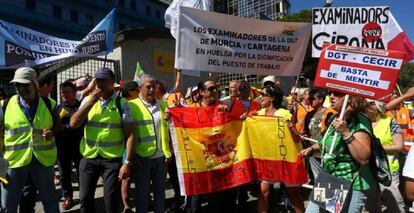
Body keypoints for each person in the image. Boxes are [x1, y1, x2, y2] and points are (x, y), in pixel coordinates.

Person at [70, 67, 135, 213]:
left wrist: (127, 163)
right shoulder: (88, 100)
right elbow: (73, 123)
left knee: (111, 201)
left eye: (104, 81)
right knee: (85, 199)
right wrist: (90, 102)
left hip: (111, 160)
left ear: (112, 82)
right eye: (98, 80)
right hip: (89, 157)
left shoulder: (122, 103)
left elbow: (130, 135)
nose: (100, 84)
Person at [301, 92, 379, 213]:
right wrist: (311, 149)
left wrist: (346, 132)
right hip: (331, 178)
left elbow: (363, 157)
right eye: (330, 92)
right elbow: (325, 142)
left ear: (350, 98)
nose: (331, 96)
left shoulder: (359, 119)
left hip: (352, 182)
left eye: (337, 93)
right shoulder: (334, 118)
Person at [1, 67, 61, 213]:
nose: (21, 88)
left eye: (25, 84)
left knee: (50, 201)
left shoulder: (49, 104)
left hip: (42, 161)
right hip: (14, 162)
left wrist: (52, 132)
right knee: (8, 204)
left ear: (34, 84)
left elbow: (58, 127)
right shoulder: (5, 105)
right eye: (17, 85)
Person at [255, 85, 304, 213]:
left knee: (293, 194)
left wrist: (291, 128)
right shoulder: (258, 114)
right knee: (263, 192)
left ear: (272, 98)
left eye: (264, 95)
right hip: (268, 160)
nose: (261, 97)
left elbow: (297, 139)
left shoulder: (284, 114)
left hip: (285, 159)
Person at [128, 74, 171, 213]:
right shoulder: (131, 105)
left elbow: (170, 131)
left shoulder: (164, 105)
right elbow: (127, 133)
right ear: (140, 88)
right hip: (141, 159)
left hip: (161, 158)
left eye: (154, 86)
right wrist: (132, 155)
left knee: (160, 194)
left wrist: (168, 151)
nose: (152, 89)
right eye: (148, 87)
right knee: (142, 196)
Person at [365, 100, 405, 212]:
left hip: (388, 171)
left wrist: (376, 147)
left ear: (379, 108)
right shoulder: (363, 122)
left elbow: (399, 146)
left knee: (394, 205)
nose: (367, 105)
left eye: (371, 103)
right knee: (371, 205)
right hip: (368, 170)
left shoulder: (391, 122)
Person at [55, 80, 84, 210]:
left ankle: (84, 196)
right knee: (64, 174)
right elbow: (55, 126)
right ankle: (67, 197)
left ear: (74, 92)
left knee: (81, 172)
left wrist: (65, 127)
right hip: (62, 147)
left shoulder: (81, 107)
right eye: (62, 93)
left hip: (79, 146)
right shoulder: (58, 108)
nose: (64, 95)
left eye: (67, 92)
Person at [119, 80, 139, 213]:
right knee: (126, 176)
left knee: (128, 176)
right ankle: (126, 205)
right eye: (137, 90)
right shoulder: (126, 104)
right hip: (127, 145)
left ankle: (126, 203)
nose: (139, 92)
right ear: (131, 92)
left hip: (129, 144)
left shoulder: (122, 102)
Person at [303, 90, 330, 181]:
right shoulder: (309, 115)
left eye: (312, 98)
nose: (310, 101)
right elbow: (306, 131)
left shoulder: (328, 113)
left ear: (321, 99)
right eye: (309, 98)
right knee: (317, 180)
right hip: (312, 153)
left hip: (325, 153)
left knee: (328, 180)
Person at [386, 87, 414, 152]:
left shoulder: (405, 110)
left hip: (407, 149)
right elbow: (386, 107)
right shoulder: (381, 111)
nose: (396, 95)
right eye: (392, 94)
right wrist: (407, 95)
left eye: (396, 94)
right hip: (390, 148)